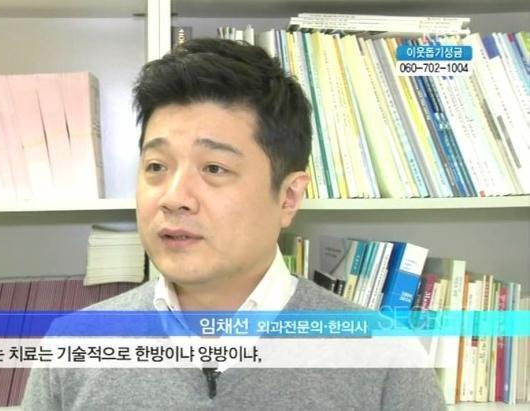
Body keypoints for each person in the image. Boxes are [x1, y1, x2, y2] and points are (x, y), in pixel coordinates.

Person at [23, 38, 445, 410]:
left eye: (214, 168)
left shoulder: (385, 359)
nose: (174, 197)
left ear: (288, 197)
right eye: (156, 166)